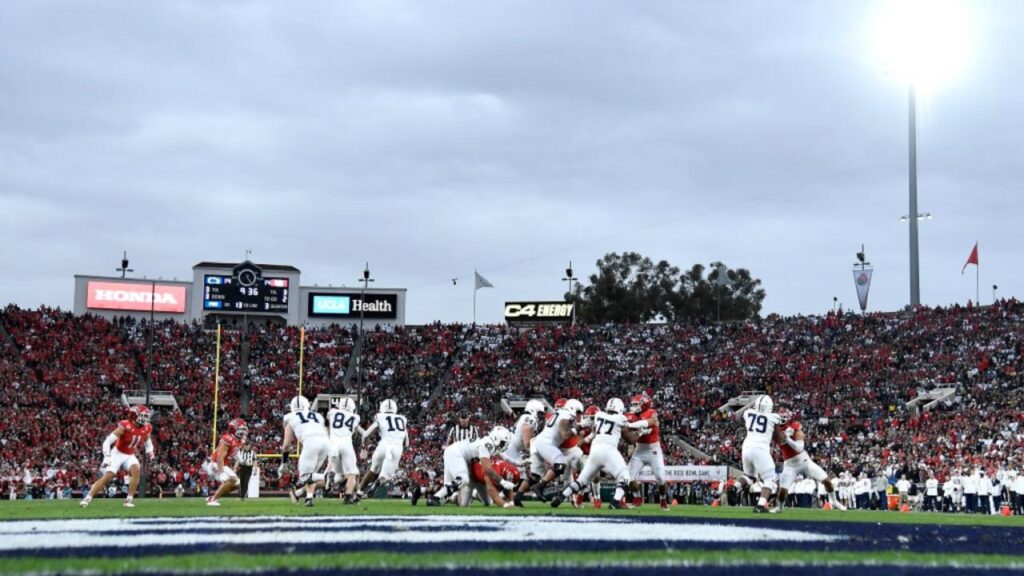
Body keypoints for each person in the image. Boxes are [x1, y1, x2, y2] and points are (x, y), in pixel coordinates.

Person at [550, 398, 647, 509]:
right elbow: (630, 439)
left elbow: (592, 423)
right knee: (625, 477)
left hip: (595, 450)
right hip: (609, 451)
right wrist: (641, 432)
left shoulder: (599, 415)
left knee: (582, 480)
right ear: (620, 408)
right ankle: (615, 503)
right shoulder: (620, 418)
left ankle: (561, 497)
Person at [80, 405, 154, 509]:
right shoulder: (125, 426)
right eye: (143, 416)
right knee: (108, 476)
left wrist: (151, 452)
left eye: (146, 416)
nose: (146, 419)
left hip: (129, 455)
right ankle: (87, 498)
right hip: (117, 453)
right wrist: (107, 456)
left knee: (136, 470)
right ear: (134, 416)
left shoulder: (147, 427)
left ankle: (129, 500)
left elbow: (147, 441)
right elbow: (107, 441)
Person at [515, 399, 583, 505]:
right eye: (578, 412)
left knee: (535, 476)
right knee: (560, 465)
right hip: (546, 443)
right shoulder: (567, 414)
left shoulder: (558, 413)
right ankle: (540, 487)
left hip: (537, 442)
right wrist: (578, 428)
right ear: (573, 408)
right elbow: (565, 434)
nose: (578, 415)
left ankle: (517, 497)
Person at [773, 414, 845, 512]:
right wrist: (785, 436)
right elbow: (779, 440)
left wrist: (788, 439)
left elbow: (799, 448)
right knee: (782, 492)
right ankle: (780, 508)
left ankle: (834, 501)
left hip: (804, 461)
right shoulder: (774, 432)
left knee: (827, 481)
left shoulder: (796, 428)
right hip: (790, 464)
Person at [431, 426, 515, 507]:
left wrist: (520, 464)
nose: (504, 446)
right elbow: (487, 469)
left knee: (483, 502)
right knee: (463, 479)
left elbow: (505, 458)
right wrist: (503, 482)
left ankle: (455, 496)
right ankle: (435, 497)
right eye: (503, 443)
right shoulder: (487, 444)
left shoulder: (490, 444)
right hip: (456, 453)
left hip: (462, 458)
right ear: (496, 438)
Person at [729, 394, 783, 513]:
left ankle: (735, 487)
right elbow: (779, 439)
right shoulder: (773, 418)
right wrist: (786, 434)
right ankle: (760, 505)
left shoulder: (748, 413)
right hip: (760, 449)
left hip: (747, 447)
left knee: (749, 476)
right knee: (770, 479)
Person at [281, 395, 330, 507]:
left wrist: (284, 462)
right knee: (311, 475)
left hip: (311, 442)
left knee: (304, 476)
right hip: (326, 442)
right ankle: (307, 498)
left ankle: (326, 477)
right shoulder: (318, 416)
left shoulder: (290, 417)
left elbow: (286, 445)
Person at [357, 399, 408, 497]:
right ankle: (377, 483)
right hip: (396, 447)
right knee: (385, 476)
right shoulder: (402, 419)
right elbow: (407, 443)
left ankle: (359, 492)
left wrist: (363, 447)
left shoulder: (379, 416)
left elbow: (366, 434)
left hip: (383, 445)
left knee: (373, 469)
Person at [626, 394, 668, 510]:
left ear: (643, 404)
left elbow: (650, 421)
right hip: (639, 450)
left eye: (635, 404)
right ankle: (637, 498)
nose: (633, 407)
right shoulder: (632, 415)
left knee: (660, 478)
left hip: (653, 450)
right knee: (628, 477)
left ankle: (663, 499)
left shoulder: (651, 412)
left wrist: (630, 425)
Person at [500, 399, 544, 506]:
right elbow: (526, 442)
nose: (540, 416)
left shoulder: (524, 418)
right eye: (539, 413)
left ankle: (516, 498)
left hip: (512, 450)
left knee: (528, 476)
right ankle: (503, 497)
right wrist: (533, 451)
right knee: (530, 475)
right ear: (533, 410)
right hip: (513, 452)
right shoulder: (530, 419)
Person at [203, 418, 247, 506]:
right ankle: (212, 500)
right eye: (241, 429)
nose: (244, 431)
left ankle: (213, 497)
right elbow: (220, 457)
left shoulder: (238, 440)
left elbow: (235, 452)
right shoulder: (227, 439)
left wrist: (242, 461)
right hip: (214, 463)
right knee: (230, 481)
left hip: (223, 464)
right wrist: (222, 472)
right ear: (234, 429)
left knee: (238, 483)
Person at [326, 397, 362, 504]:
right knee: (351, 473)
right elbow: (355, 434)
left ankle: (330, 475)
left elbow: (328, 425)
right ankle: (348, 496)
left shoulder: (332, 412)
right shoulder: (356, 417)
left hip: (333, 444)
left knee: (339, 474)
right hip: (346, 444)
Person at [236, 436, 256, 500]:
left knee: (246, 482)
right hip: (242, 468)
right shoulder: (240, 452)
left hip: (249, 468)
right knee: (242, 482)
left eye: (248, 446)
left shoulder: (253, 452)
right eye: (246, 445)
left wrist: (255, 468)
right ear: (244, 446)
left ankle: (243, 496)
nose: (247, 447)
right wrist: (235, 468)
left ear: (250, 446)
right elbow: (238, 460)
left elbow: (254, 460)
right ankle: (242, 496)